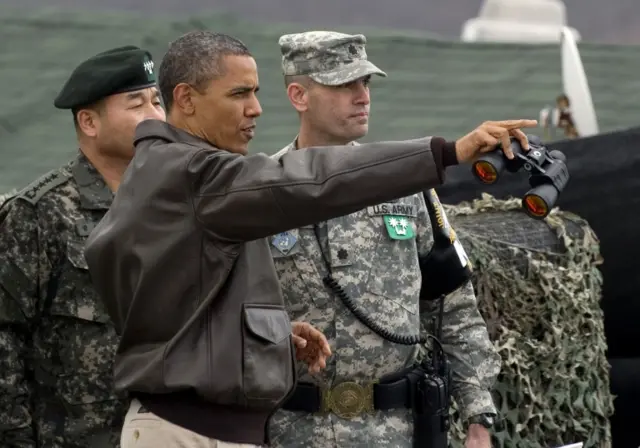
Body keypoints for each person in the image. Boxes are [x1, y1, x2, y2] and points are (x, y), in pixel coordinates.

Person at [81, 30, 536, 448]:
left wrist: (267, 335)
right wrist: (448, 152)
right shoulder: (209, 178)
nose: (255, 108)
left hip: (379, 426)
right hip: (242, 429)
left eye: (367, 85)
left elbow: (450, 302)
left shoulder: (175, 174)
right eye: (240, 93)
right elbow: (309, 182)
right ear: (186, 99)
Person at [266, 31, 501, 448]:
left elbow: (453, 308)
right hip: (290, 430)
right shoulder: (262, 191)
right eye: (343, 85)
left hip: (394, 431)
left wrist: (477, 417)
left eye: (366, 83)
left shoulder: (406, 187)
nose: (362, 96)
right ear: (299, 95)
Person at [0, 45, 165, 448]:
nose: (156, 116)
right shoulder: (40, 213)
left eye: (157, 101)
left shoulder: (173, 204)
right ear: (89, 122)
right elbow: (5, 336)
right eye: (136, 104)